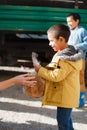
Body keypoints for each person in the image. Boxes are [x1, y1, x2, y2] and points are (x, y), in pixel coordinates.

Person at [32, 24, 82, 130]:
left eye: (51, 41)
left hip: (65, 95)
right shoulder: (69, 53)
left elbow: (56, 76)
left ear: (61, 39)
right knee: (66, 120)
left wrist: (40, 70)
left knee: (63, 122)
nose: (50, 44)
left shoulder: (64, 59)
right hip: (67, 94)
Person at [66, 13, 87, 107]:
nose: (68, 23)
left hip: (80, 59)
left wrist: (75, 46)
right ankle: (71, 98)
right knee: (69, 78)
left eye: (70, 21)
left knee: (80, 78)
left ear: (77, 21)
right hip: (69, 59)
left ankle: (80, 100)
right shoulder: (67, 31)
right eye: (67, 22)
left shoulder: (82, 31)